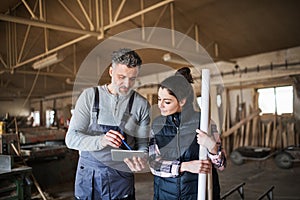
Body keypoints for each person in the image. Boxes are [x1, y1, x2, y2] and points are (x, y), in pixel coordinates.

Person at [65, 48, 150, 200]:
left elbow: (143, 144)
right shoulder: (89, 97)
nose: (126, 84)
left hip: (121, 178)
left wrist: (142, 158)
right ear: (111, 71)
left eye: (132, 79)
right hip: (89, 175)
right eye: (121, 77)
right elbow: (71, 139)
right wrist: (101, 140)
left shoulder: (141, 105)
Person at [148, 67, 226, 200]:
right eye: (159, 99)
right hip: (165, 194)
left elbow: (221, 165)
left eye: (166, 102)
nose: (160, 105)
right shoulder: (156, 125)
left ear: (182, 101)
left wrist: (213, 148)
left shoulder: (204, 122)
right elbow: (154, 164)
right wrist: (185, 166)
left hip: (198, 194)